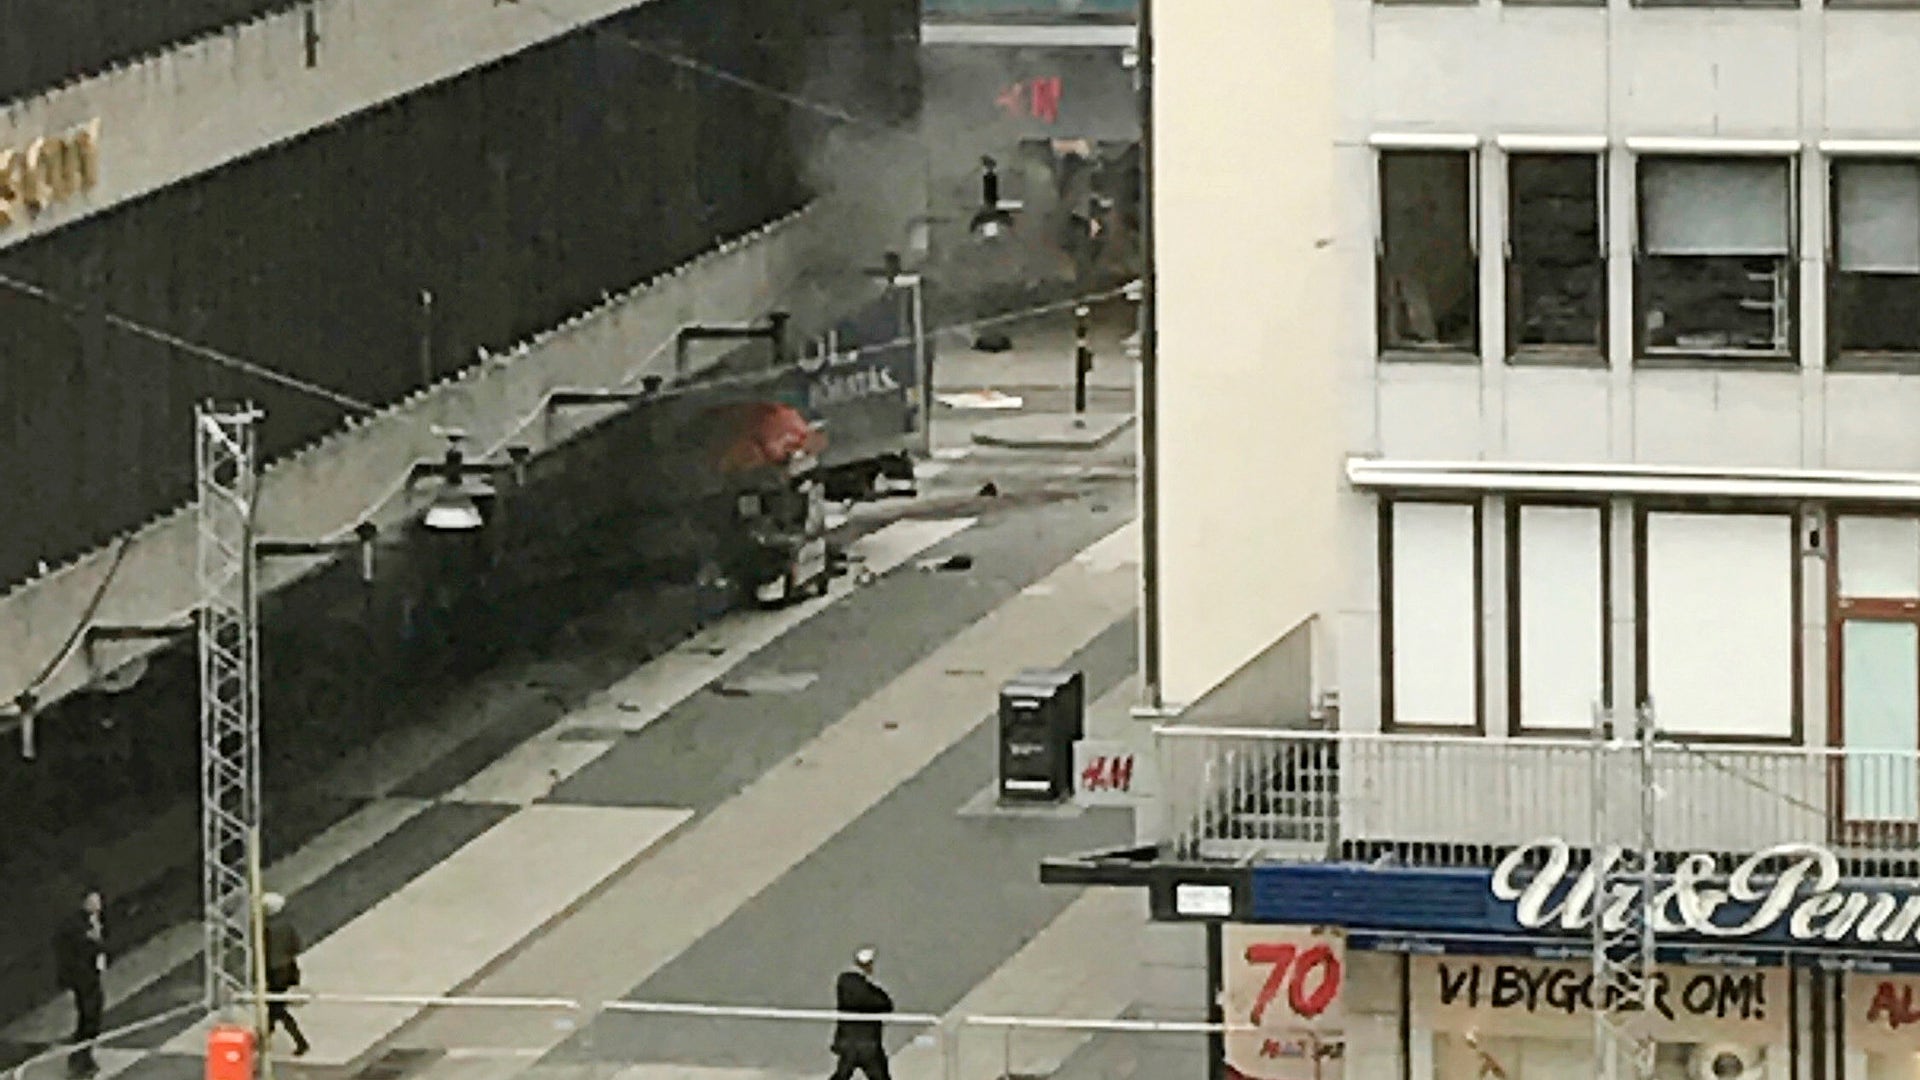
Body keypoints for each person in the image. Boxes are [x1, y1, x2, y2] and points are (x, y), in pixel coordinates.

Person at [52, 887, 106, 1079]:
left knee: (93, 1016)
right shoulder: (75, 926)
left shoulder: (96, 921)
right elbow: (71, 950)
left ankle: (83, 1055)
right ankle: (80, 1057)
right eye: (94, 901)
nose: (98, 905)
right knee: (88, 1016)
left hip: (92, 976)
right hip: (82, 978)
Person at [828, 946, 894, 1080]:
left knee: (842, 1075)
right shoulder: (866, 989)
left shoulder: (845, 982)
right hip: (868, 1044)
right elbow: (885, 1004)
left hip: (849, 1043)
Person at [261, 893, 310, 1057]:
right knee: (274, 1006)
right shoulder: (286, 926)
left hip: (273, 972)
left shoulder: (265, 928)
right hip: (288, 968)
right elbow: (296, 945)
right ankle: (266, 1033)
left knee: (276, 1007)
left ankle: (299, 1041)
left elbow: (263, 953)